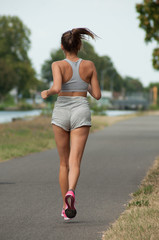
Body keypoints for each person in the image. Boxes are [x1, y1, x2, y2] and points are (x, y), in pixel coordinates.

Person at [41, 28, 101, 221]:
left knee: (63, 163)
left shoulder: (57, 64)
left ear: (62, 47)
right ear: (79, 45)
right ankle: (71, 192)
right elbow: (98, 95)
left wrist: (47, 92)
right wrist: (85, 83)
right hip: (81, 111)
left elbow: (57, 87)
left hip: (61, 111)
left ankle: (64, 207)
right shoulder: (89, 65)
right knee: (75, 162)